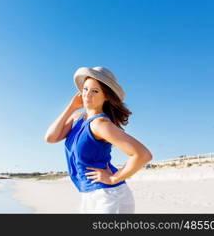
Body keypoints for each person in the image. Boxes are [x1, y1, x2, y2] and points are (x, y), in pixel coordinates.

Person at [44, 66, 152, 213]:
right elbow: (50, 137)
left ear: (106, 96)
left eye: (95, 91)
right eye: (85, 89)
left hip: (109, 195)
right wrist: (71, 107)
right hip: (89, 194)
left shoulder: (100, 124)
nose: (87, 95)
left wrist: (114, 178)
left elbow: (143, 154)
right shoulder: (77, 118)